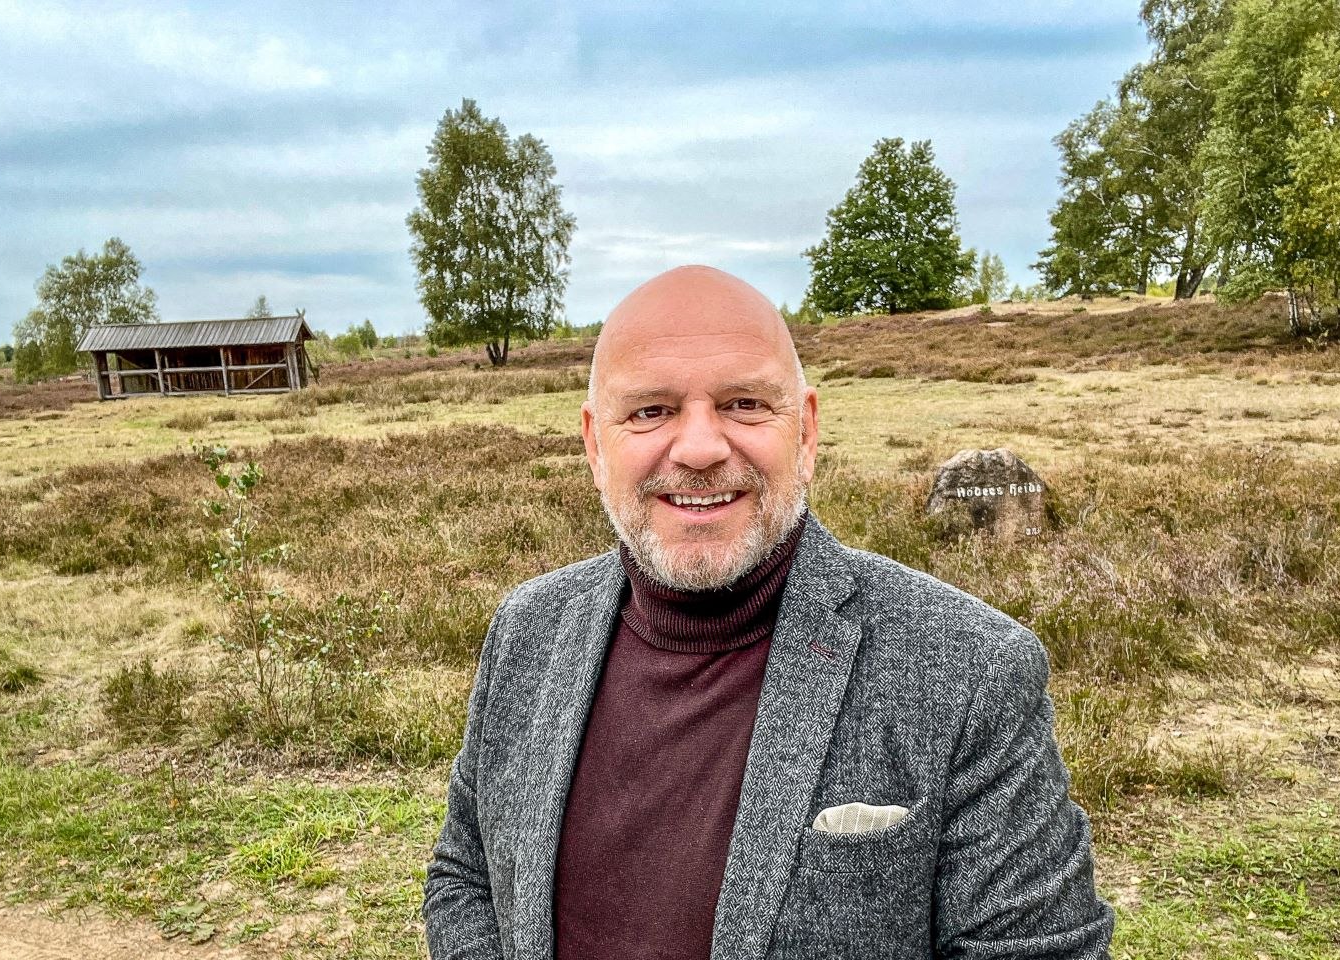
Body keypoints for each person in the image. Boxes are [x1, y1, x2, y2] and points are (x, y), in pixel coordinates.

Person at [423, 265, 1113, 959]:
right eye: (650, 410)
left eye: (745, 404)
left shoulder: (971, 671)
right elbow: (467, 874)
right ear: (595, 445)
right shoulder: (526, 629)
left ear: (807, 433)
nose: (699, 449)